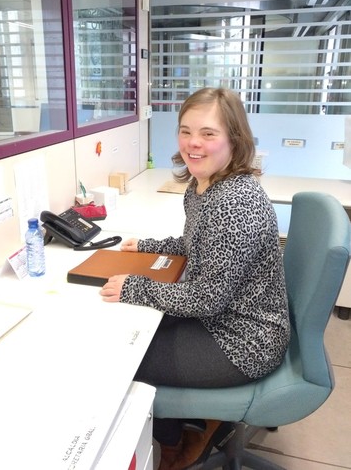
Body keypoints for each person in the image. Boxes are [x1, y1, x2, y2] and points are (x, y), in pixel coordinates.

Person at [100, 87, 290, 470]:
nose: (193, 143)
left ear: (234, 139)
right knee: (140, 332)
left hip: (243, 339)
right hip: (224, 317)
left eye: (208, 133)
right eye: (185, 131)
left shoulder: (234, 203)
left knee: (127, 356)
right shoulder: (202, 184)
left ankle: (176, 445)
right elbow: (195, 243)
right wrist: (149, 246)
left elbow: (206, 300)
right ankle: (198, 423)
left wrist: (136, 286)